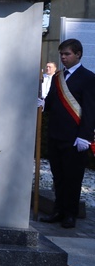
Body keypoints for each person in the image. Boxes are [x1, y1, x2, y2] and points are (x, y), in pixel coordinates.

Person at [41, 39, 95, 229]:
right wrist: (41, 104)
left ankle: (70, 214)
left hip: (75, 138)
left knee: (73, 177)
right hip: (56, 134)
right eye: (62, 54)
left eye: (67, 54)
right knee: (58, 176)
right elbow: (51, 103)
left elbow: (90, 110)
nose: (63, 57)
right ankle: (58, 210)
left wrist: (85, 136)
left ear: (78, 54)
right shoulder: (58, 77)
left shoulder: (88, 78)